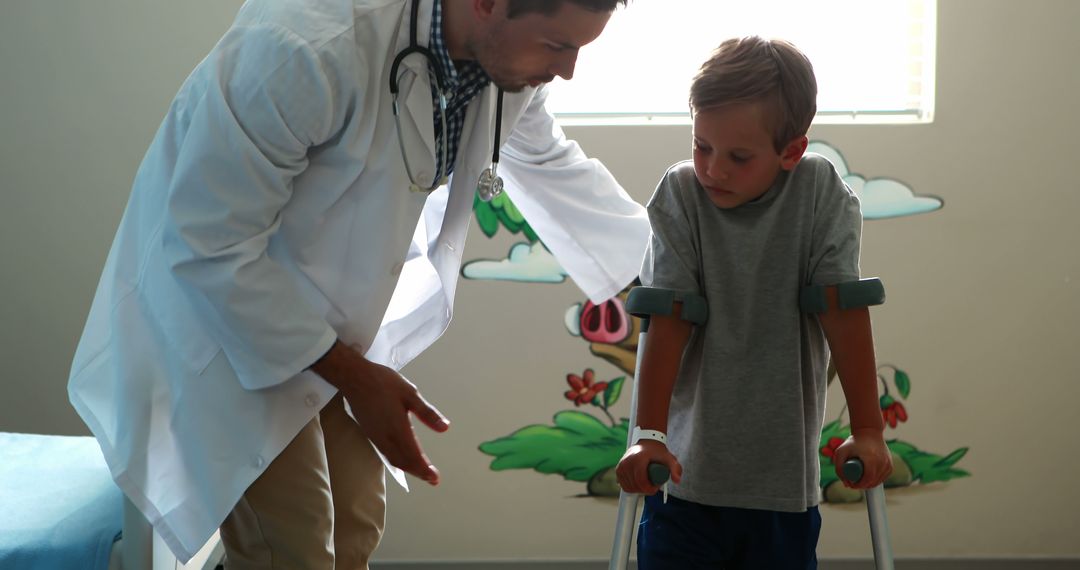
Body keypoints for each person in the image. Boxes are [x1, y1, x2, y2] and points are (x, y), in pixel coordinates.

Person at [67, 0, 649, 567]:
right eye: (559, 45)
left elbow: (546, 160)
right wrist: (356, 377)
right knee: (292, 545)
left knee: (356, 524)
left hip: (323, 324)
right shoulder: (304, 45)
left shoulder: (503, 66)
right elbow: (207, 245)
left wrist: (667, 261)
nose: (569, 69)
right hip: (221, 321)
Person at [614, 36, 893, 569]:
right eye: (702, 146)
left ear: (792, 151)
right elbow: (666, 319)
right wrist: (648, 436)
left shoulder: (819, 191)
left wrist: (868, 432)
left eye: (739, 157)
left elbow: (843, 311)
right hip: (684, 480)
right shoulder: (681, 193)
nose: (713, 169)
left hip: (781, 488)